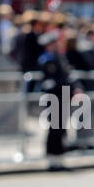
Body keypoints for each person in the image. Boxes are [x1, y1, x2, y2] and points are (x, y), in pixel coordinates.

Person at [36, 29, 73, 169]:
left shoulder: (59, 57)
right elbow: (53, 79)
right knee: (55, 128)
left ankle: (59, 156)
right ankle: (53, 156)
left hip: (62, 96)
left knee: (60, 128)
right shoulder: (48, 58)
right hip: (54, 96)